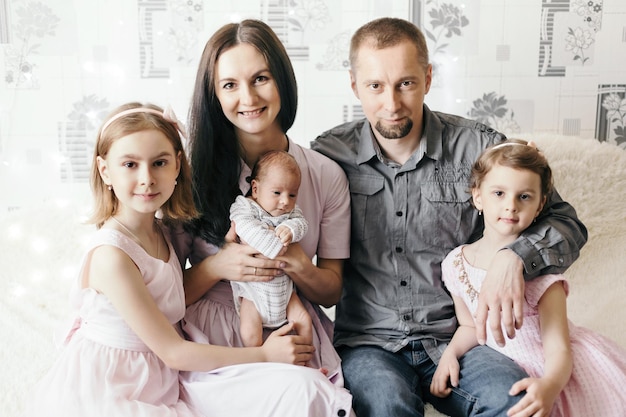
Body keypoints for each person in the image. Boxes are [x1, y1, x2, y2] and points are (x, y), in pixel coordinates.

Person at [311, 17, 588, 417]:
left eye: (405, 83)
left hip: (466, 339)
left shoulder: (480, 146)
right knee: (387, 407)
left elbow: (566, 222)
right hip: (369, 343)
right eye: (375, 86)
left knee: (515, 404)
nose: (391, 103)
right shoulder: (327, 155)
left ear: (427, 77)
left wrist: (515, 257)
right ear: (354, 85)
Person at [23, 102, 332, 417]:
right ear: (106, 171)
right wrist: (264, 356)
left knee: (297, 391)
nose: (147, 179)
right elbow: (174, 351)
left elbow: (174, 296)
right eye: (130, 164)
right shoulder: (111, 257)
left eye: (159, 163)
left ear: (177, 166)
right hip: (115, 386)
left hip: (161, 379)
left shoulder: (163, 233)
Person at [169, 19, 353, 416]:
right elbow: (165, 296)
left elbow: (331, 291)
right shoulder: (192, 174)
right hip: (214, 336)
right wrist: (219, 265)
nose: (248, 97)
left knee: (306, 394)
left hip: (289, 324)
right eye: (230, 85)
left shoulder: (325, 174)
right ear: (214, 95)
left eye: (261, 78)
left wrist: (299, 264)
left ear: (282, 82)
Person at [432, 139, 626, 416]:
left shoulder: (541, 274)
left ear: (540, 205)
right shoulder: (455, 264)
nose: (510, 206)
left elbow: (559, 349)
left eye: (524, 196)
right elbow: (472, 327)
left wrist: (549, 386)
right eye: (498, 193)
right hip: (500, 368)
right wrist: (449, 356)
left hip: (554, 370)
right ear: (477, 196)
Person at [230, 150, 312, 348]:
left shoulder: (291, 212)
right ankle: (259, 362)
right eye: (277, 193)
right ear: (256, 189)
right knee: (249, 332)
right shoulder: (245, 207)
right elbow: (242, 226)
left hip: (285, 292)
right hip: (254, 292)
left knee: (304, 322)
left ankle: (308, 359)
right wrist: (273, 245)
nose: (285, 201)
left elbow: (302, 223)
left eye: (292, 194)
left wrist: (291, 229)